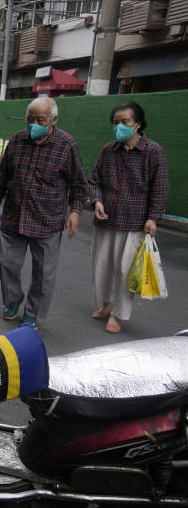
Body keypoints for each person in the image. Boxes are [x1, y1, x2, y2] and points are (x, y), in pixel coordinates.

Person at [0, 96, 87, 330]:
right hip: (14, 215)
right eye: (29, 119)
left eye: (39, 119)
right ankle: (13, 298)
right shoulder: (17, 140)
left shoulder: (66, 145)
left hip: (48, 220)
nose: (33, 124)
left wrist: (75, 211)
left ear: (53, 120)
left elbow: (79, 184)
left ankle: (32, 313)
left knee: (43, 274)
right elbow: (1, 176)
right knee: (3, 261)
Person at [88, 101, 168, 334]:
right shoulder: (107, 150)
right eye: (116, 123)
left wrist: (153, 218)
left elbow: (160, 188)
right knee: (101, 267)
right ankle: (106, 304)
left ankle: (118, 314)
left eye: (125, 122)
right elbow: (94, 180)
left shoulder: (153, 151)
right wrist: (97, 200)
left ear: (138, 124)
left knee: (125, 271)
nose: (119, 127)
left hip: (135, 223)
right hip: (105, 220)